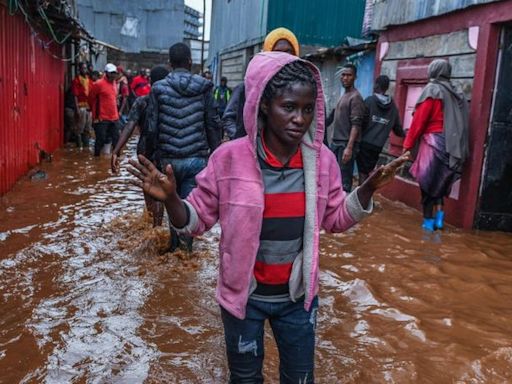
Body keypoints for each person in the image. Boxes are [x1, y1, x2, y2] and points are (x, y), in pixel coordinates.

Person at [128, 52, 409, 382]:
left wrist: (366, 190)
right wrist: (174, 198)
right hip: (243, 300)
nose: (299, 119)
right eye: (288, 107)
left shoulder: (322, 163)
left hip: (297, 299)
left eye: (307, 109)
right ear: (263, 104)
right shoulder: (228, 160)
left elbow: (334, 219)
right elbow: (196, 221)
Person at [144, 42, 221, 252]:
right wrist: (218, 156)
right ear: (190, 62)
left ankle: (173, 250)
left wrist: (147, 157)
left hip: (167, 160)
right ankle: (185, 253)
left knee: (171, 202)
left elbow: (151, 127)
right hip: (196, 159)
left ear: (169, 64)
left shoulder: (158, 88)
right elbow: (213, 124)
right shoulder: (205, 87)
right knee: (190, 207)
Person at [403, 59, 469, 231]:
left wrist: (408, 144)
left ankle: (428, 225)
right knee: (440, 182)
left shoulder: (433, 90)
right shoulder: (455, 93)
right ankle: (440, 219)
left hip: (433, 143)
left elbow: (419, 121)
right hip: (451, 145)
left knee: (427, 183)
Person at [111, 65, 170, 227]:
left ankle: (154, 226)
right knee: (164, 190)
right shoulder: (173, 103)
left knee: (149, 188)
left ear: (150, 81)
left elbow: (129, 126)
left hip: (145, 151)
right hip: (167, 151)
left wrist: (116, 150)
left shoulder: (142, 101)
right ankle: (159, 227)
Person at [222, 27, 300, 140]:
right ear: (267, 54)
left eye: (289, 52)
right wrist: (242, 142)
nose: (284, 58)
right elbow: (229, 118)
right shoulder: (248, 87)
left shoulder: (306, 90)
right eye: (277, 52)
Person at [356, 75, 404, 183]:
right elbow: (398, 130)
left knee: (363, 173)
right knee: (368, 172)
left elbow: (361, 122)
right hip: (377, 146)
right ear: (386, 88)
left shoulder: (369, 101)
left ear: (376, 85)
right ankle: (366, 196)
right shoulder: (393, 107)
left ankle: (362, 197)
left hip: (364, 143)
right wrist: (409, 134)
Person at [327, 63, 367, 192]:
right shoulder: (344, 95)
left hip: (345, 144)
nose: (345, 78)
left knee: (344, 180)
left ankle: (343, 208)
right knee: (333, 176)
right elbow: (331, 118)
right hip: (336, 142)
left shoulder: (356, 98)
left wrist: (349, 148)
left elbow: (356, 125)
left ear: (355, 77)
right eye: (343, 75)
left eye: (349, 75)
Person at [88, 63, 121, 157]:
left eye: (115, 73)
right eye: (112, 73)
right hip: (101, 117)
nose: (114, 75)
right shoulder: (98, 84)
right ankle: (97, 159)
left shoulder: (114, 83)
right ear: (106, 73)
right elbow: (91, 98)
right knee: (100, 139)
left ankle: (116, 159)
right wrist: (94, 113)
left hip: (114, 116)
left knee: (117, 139)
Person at [71, 62, 93, 148]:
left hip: (89, 108)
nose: (85, 70)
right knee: (79, 129)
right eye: (83, 68)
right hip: (81, 107)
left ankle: (86, 149)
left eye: (85, 68)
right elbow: (75, 96)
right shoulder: (76, 81)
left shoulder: (89, 80)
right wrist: (76, 109)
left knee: (87, 129)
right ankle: (79, 148)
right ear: (79, 69)